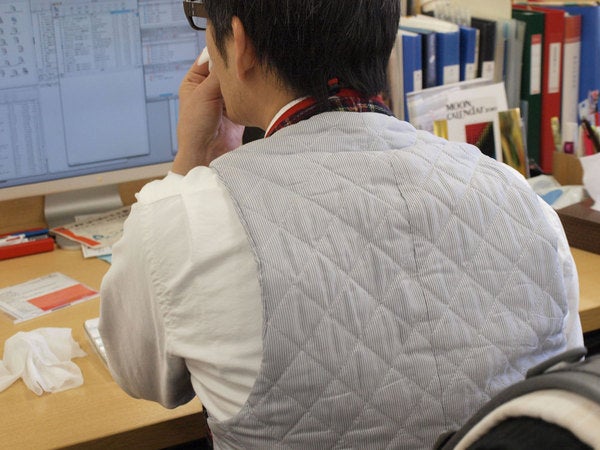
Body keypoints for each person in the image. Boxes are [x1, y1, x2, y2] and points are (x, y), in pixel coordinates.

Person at [99, 0, 584, 448]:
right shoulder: (518, 195)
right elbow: (562, 389)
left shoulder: (185, 219)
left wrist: (190, 164)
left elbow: (142, 376)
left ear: (239, 44)